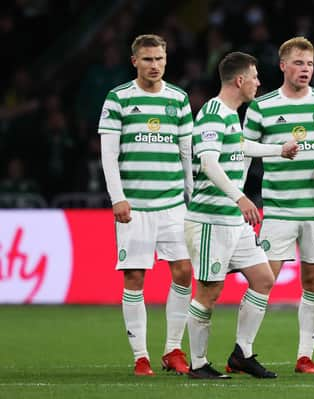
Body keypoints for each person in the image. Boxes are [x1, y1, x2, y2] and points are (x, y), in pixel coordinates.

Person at [184, 51, 298, 380]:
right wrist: (240, 197)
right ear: (240, 80)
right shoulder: (212, 113)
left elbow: (239, 148)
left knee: (263, 279)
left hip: (233, 222)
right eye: (255, 76)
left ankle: (242, 354)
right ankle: (198, 363)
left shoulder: (231, 116)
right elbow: (208, 162)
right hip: (210, 220)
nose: (259, 82)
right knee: (208, 292)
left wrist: (278, 150)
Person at [243, 36, 314, 374]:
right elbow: (244, 150)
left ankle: (305, 356)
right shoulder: (262, 106)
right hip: (278, 208)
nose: (305, 69)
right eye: (299, 63)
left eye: (310, 64)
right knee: (264, 278)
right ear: (283, 66)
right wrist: (238, 193)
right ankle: (242, 351)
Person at [98, 34, 194, 377]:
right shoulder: (118, 98)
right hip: (135, 206)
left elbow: (186, 153)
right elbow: (109, 155)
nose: (154, 65)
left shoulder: (178, 99)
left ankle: (172, 350)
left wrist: (191, 194)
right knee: (135, 277)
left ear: (166, 60)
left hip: (172, 205)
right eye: (148, 59)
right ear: (134, 61)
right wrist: (118, 198)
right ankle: (141, 355)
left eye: (159, 59)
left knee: (184, 272)